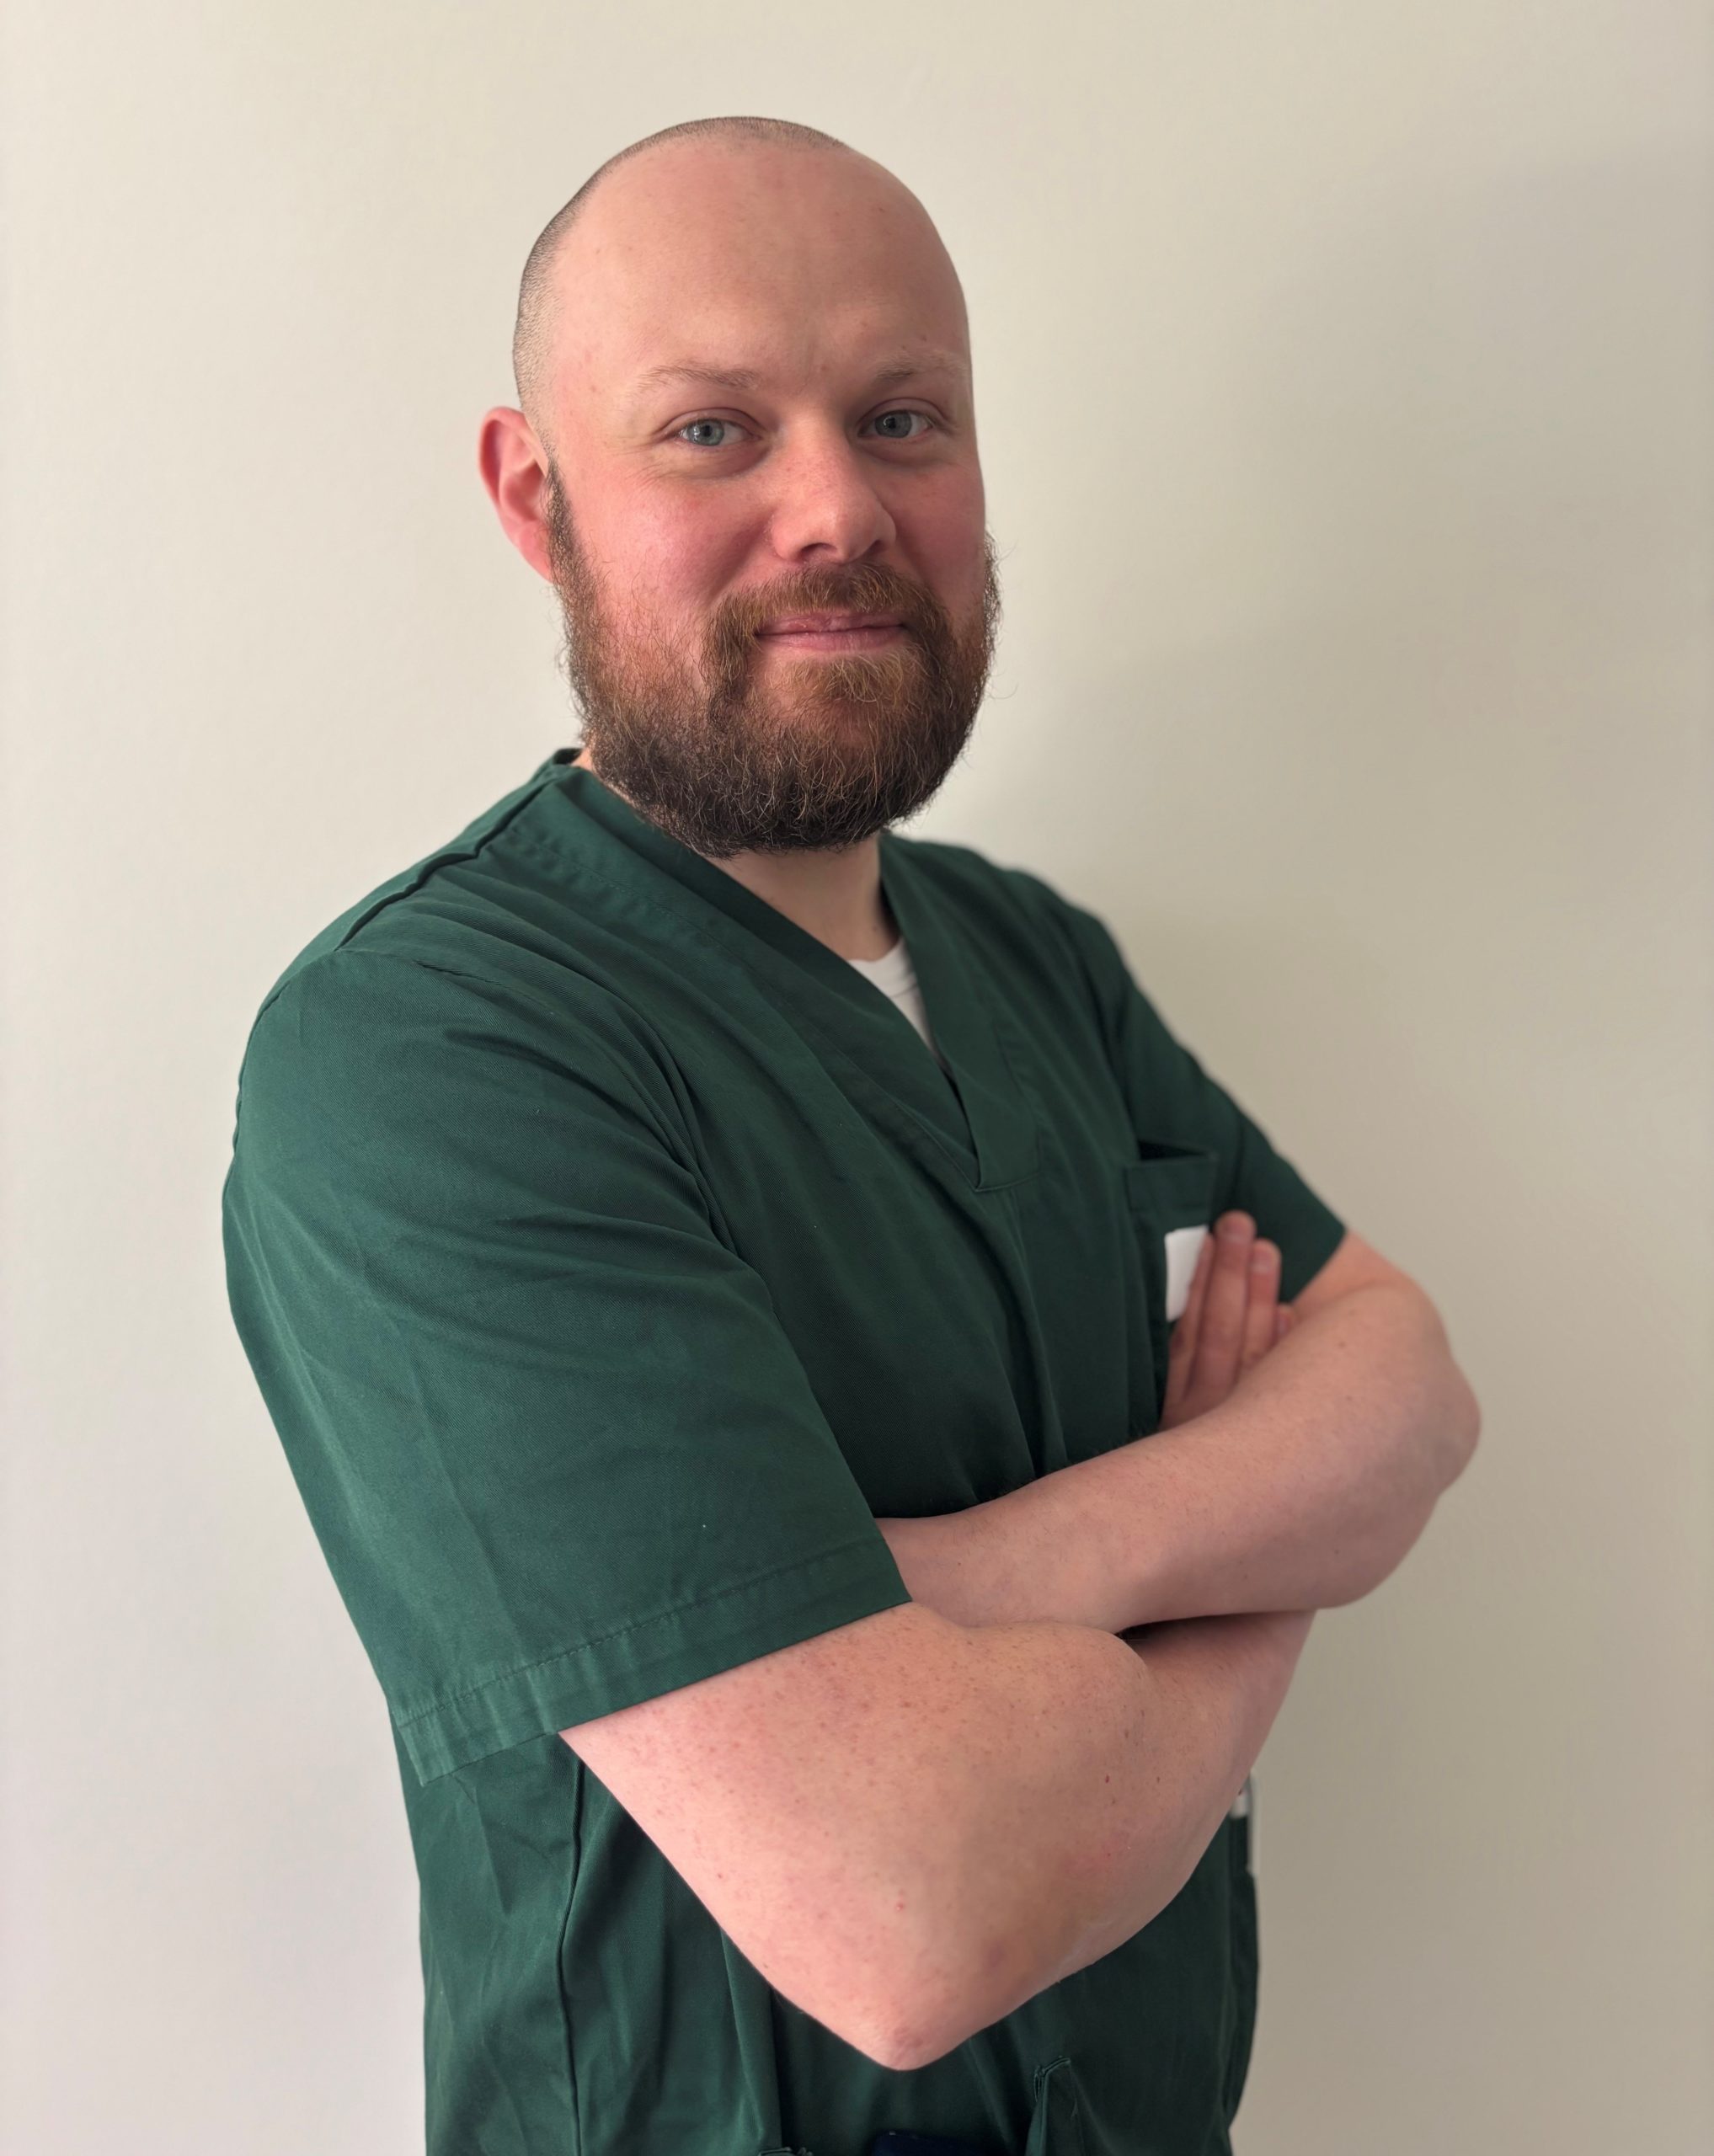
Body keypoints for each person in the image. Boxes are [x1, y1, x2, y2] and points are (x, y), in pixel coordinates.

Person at [222, 114, 1482, 2156]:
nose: (835, 509)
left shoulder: (1035, 960)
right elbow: (914, 1913)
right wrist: (1263, 1568)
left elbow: (1407, 1391)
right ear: (538, 497)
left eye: (902, 418)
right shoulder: (435, 1048)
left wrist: (994, 1572)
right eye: (712, 430)